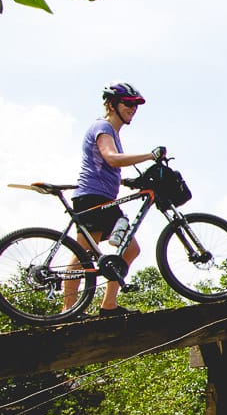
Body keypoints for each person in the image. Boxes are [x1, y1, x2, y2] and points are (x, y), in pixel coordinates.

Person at [64, 83, 163, 313]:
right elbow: (111, 158)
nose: (133, 108)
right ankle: (67, 310)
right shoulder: (103, 126)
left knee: (129, 250)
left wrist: (127, 182)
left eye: (135, 105)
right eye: (128, 103)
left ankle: (109, 305)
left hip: (103, 198)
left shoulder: (114, 133)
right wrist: (150, 155)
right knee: (83, 253)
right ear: (111, 104)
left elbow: (107, 166)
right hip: (92, 198)